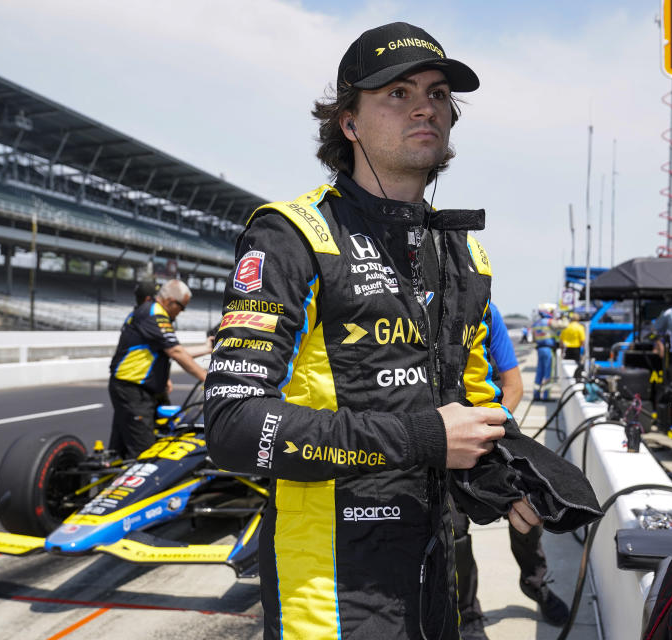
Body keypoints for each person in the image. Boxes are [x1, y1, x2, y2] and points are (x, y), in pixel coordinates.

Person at [204, 22, 543, 639]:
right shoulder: (293, 235)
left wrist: (513, 474)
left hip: (438, 573)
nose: (425, 106)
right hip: (332, 591)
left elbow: (468, 406)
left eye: (439, 94)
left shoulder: (465, 255)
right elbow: (232, 428)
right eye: (397, 91)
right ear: (349, 122)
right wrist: (420, 439)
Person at [454, 302, 569, 638]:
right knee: (455, 534)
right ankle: (468, 614)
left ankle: (535, 584)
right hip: (443, 444)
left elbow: (513, 384)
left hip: (494, 433)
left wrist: (489, 428)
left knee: (531, 512)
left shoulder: (486, 312)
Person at [108, 279, 208, 459]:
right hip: (133, 390)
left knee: (121, 449)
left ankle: (107, 479)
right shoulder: (154, 313)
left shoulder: (150, 312)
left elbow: (175, 351)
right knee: (145, 454)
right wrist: (206, 378)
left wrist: (207, 348)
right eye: (182, 307)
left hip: (139, 390)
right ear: (170, 301)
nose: (181, 312)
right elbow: (176, 352)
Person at [531, 306, 557, 401]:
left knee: (539, 372)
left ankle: (536, 395)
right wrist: (564, 318)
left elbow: (533, 339)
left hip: (540, 349)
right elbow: (563, 326)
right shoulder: (549, 322)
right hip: (548, 349)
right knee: (548, 372)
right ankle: (546, 396)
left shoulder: (536, 324)